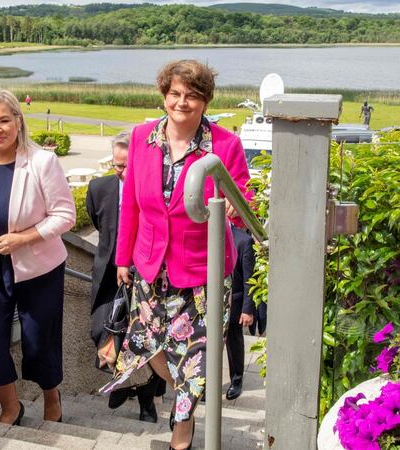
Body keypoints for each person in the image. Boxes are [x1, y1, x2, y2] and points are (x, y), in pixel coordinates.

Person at [101, 60, 252, 450]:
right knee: (152, 350)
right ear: (164, 96)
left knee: (198, 362)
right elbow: (131, 205)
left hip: (204, 271)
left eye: (192, 95)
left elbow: (243, 197)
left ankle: (181, 434)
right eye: (175, 94)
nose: (182, 102)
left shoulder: (225, 145)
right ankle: (182, 393)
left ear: (205, 101)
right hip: (151, 267)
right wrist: (123, 259)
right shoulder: (140, 138)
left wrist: (237, 206)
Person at [0, 88, 75, 426]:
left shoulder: (42, 162)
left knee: (38, 343)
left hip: (38, 269)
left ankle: (52, 398)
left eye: (4, 120)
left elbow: (65, 215)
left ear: (18, 122)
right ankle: (11, 407)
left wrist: (22, 239)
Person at [85, 132, 163, 423]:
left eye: (127, 165)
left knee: (144, 341)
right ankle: (122, 381)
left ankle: (147, 403)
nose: (122, 172)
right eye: (117, 166)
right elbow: (98, 222)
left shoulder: (154, 188)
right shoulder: (98, 188)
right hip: (109, 278)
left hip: (147, 275)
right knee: (101, 331)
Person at [226, 224, 255, 400]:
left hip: (234, 301)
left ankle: (236, 381)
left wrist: (247, 309)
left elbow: (249, 280)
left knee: (234, 341)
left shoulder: (244, 240)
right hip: (206, 299)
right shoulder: (203, 235)